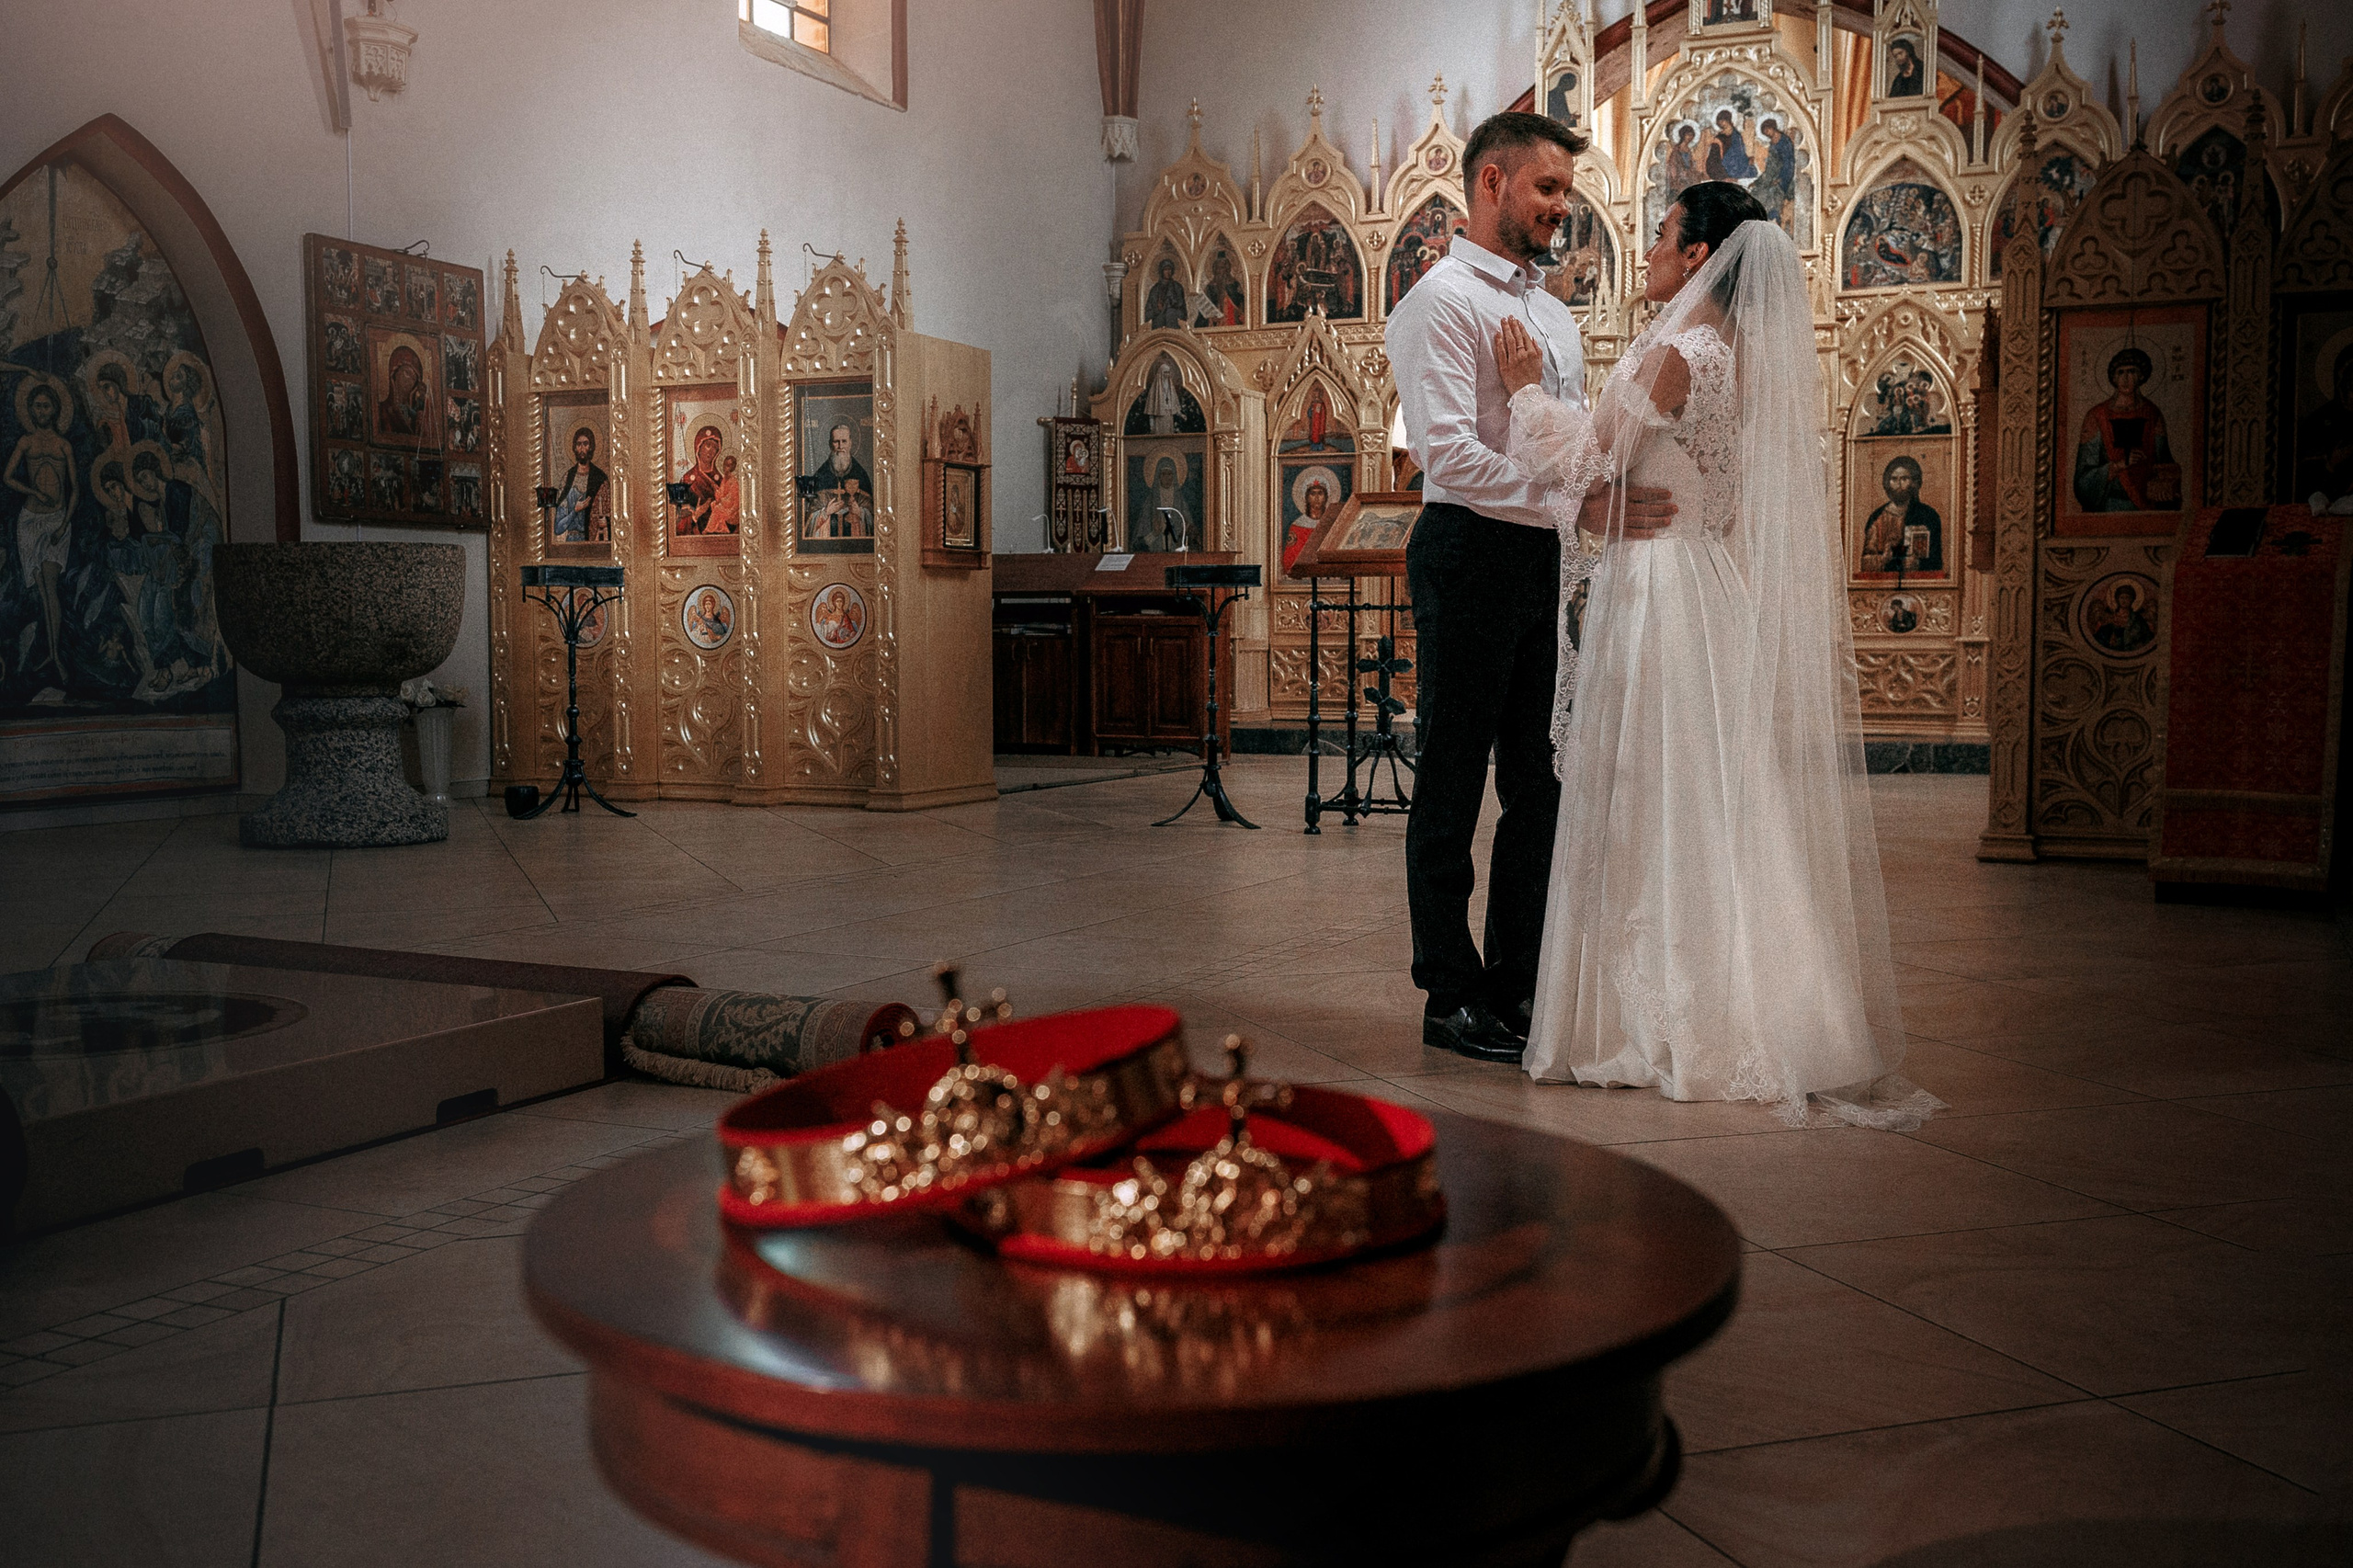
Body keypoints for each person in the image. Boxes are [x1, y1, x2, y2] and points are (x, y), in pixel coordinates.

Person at [1497, 179, 1938, 1128]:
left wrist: (1524, 388)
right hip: (1701, 585)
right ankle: (1744, 999)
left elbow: (1588, 462)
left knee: (1652, 789)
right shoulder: (1739, 358)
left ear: (1698, 256)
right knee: (1707, 794)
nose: (1648, 251)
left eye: (1660, 236)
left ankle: (1666, 1020)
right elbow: (1722, 498)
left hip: (1659, 593)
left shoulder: (1675, 352)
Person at [1385, 109, 1676, 1063]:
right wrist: (1571, 503)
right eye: (1547, 189)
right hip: (1468, 549)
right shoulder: (1439, 302)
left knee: (1539, 779)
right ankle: (1448, 991)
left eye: (1565, 191)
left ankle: (1517, 982)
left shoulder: (1551, 311)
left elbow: (1566, 433)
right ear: (1491, 184)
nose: (1561, 208)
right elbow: (1447, 455)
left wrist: (1589, 493)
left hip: (1541, 554)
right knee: (1452, 777)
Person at [6, 378, 76, 682]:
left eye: (46, 406)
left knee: (50, 586)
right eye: (36, 406)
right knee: (41, 589)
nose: (41, 411)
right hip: (31, 520)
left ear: (55, 409)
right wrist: (31, 492)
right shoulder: (26, 442)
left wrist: (64, 524)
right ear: (30, 410)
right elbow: (7, 477)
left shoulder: (63, 444)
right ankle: (49, 653)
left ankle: (56, 654)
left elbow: (76, 490)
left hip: (56, 519)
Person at [2073, 347, 2175, 513]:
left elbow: (2164, 463)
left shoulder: (2153, 414)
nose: (2126, 378)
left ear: (2141, 376)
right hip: (2110, 506)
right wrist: (2119, 465)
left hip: (2147, 507)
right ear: (2113, 377)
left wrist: (2166, 482)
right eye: (2120, 373)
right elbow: (2083, 481)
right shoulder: (2097, 416)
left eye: (2132, 371)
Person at [1859, 455, 1942, 574]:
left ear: (1914, 482)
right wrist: (1883, 559)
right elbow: (1865, 561)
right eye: (1894, 479)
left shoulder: (1928, 516)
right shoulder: (1877, 517)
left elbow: (1936, 560)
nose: (1898, 484)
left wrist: (1918, 563)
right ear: (1887, 482)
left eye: (1904, 479)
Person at [551, 426, 609, 542]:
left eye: (585, 444)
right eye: (578, 444)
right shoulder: (567, 479)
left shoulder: (600, 478)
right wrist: (575, 511)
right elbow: (558, 528)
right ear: (574, 448)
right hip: (572, 543)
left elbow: (611, 513)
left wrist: (607, 522)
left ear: (591, 447)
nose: (582, 448)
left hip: (594, 541)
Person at [1144, 258, 1188, 331]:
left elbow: (1181, 306)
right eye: (1165, 269)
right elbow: (1149, 309)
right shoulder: (1155, 289)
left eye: (1169, 269)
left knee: (1170, 313)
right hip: (1158, 321)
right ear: (1161, 271)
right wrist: (1157, 309)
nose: (1168, 272)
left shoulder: (1177, 287)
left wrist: (1170, 305)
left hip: (1173, 318)